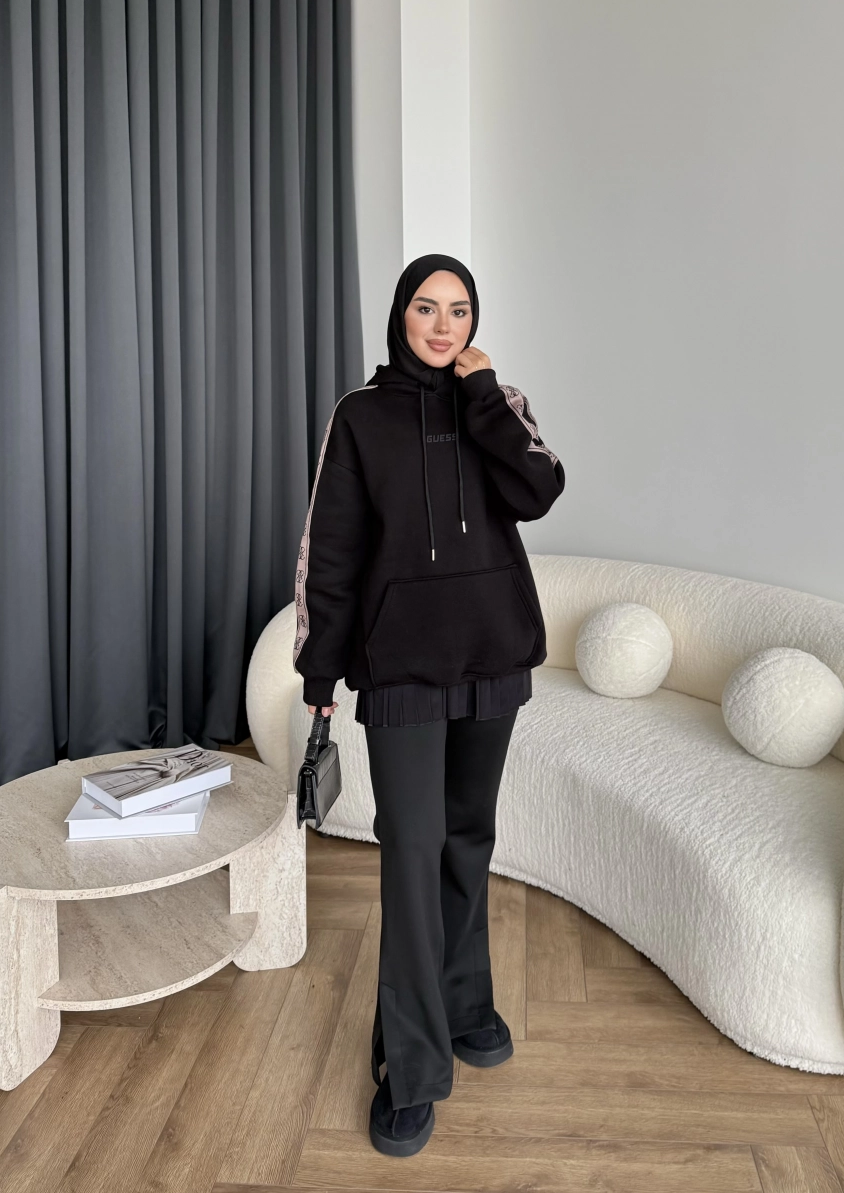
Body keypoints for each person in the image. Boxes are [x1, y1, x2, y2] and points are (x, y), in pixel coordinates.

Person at [292, 253, 565, 1157]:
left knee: (467, 837)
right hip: (402, 667)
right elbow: (330, 550)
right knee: (411, 851)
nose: (443, 326)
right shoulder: (360, 416)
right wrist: (320, 674)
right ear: (399, 316)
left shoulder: (500, 402)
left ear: (473, 322)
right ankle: (409, 1064)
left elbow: (539, 490)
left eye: (459, 310)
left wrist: (481, 396)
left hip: (495, 655)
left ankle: (465, 1002)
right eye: (426, 307)